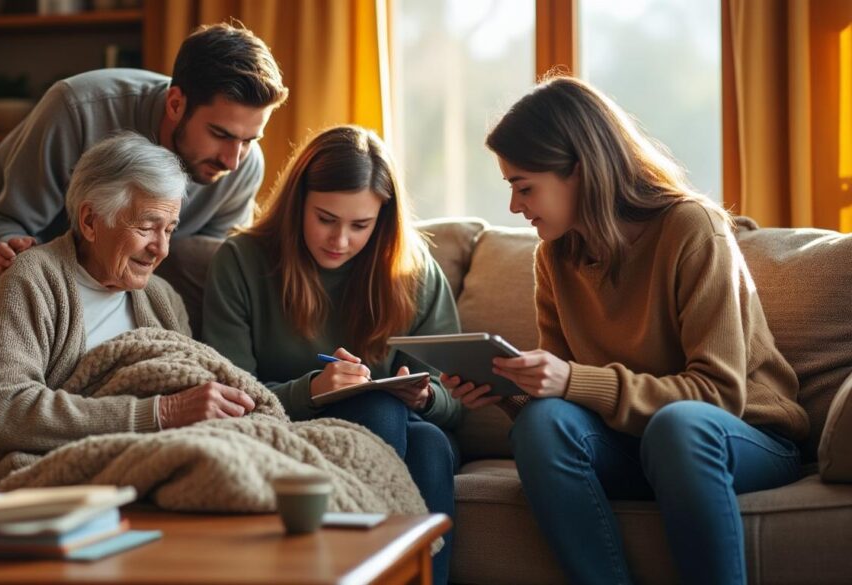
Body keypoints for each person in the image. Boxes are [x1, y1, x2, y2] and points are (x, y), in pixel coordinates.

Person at [443, 76, 809, 585]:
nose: (514, 206)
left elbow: (719, 395)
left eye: (524, 187)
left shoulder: (693, 229)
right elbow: (562, 400)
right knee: (541, 423)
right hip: (632, 443)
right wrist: (505, 390)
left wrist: (571, 380)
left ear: (582, 172)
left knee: (677, 426)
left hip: (740, 436)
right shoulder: (555, 256)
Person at [202, 125, 461, 584]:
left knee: (430, 440)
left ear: (383, 219)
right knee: (384, 412)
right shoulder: (241, 261)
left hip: (404, 429)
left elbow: (454, 400)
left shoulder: (414, 271)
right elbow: (232, 395)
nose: (340, 240)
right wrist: (315, 391)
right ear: (298, 202)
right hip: (285, 432)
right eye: (326, 218)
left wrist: (424, 399)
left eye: (361, 225)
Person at [0, 132, 256, 488]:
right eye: (147, 228)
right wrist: (160, 414)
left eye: (169, 229)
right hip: (64, 466)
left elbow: (187, 382)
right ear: (90, 221)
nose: (161, 249)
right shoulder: (32, 279)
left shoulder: (163, 299)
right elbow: (6, 413)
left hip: (158, 456)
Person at [0, 23, 288, 285]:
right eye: (220, 134)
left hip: (138, 283)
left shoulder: (244, 167)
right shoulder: (77, 109)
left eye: (249, 140)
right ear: (175, 104)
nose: (232, 161)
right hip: (38, 266)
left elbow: (205, 272)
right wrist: (9, 250)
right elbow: (3, 220)